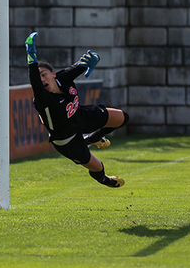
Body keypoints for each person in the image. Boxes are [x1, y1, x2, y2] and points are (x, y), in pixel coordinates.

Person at [25, 32, 129, 188]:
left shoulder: (63, 78)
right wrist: (31, 58)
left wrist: (96, 58)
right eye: (38, 76)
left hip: (81, 116)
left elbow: (83, 62)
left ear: (53, 74)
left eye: (44, 74)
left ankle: (93, 138)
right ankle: (105, 180)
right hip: (66, 140)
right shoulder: (43, 99)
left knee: (122, 118)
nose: (41, 79)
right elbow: (35, 83)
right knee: (98, 167)